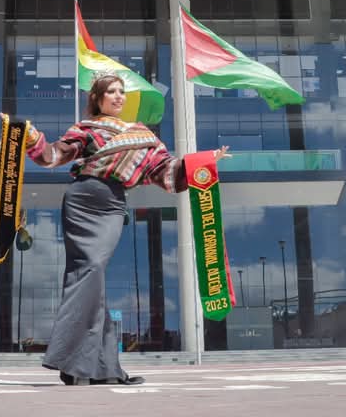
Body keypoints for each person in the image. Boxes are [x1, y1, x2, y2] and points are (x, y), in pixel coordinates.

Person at [24, 73, 230, 387]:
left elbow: (166, 171)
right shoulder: (86, 128)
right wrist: (33, 140)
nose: (118, 96)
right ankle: (81, 364)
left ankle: (98, 368)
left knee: (93, 276)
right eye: (111, 91)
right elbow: (55, 155)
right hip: (81, 201)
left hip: (111, 206)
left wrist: (203, 162)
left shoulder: (142, 135)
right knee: (89, 272)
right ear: (98, 98)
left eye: (122, 91)